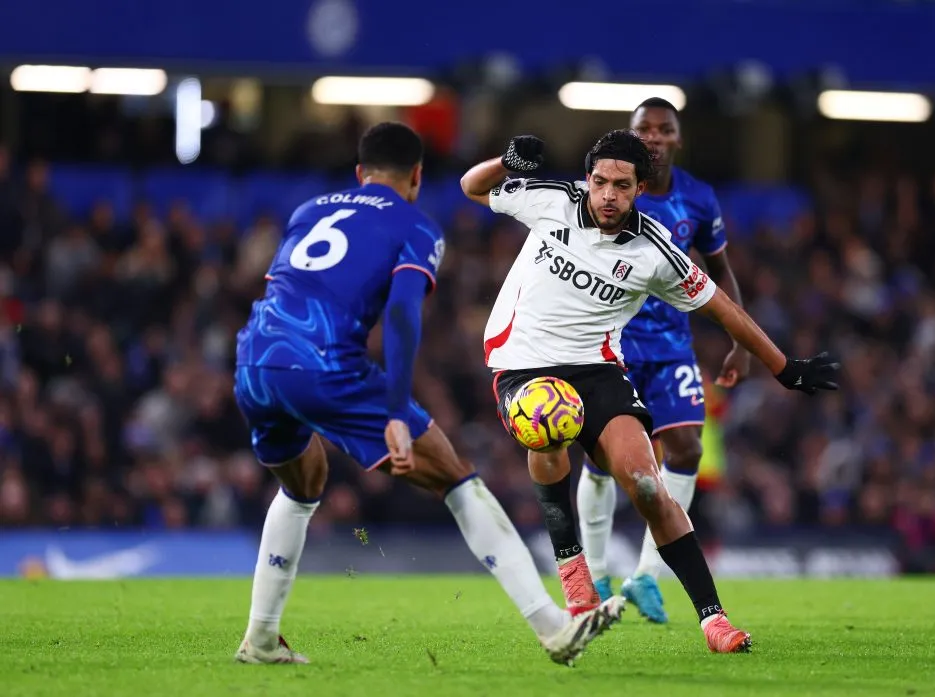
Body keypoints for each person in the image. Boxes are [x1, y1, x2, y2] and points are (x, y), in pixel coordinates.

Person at [232, 122, 625, 667]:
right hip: (325, 365)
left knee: (304, 483)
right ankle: (554, 626)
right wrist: (395, 411)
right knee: (457, 478)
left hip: (254, 358)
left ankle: (261, 640)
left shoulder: (308, 211)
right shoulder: (415, 226)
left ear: (358, 173)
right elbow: (400, 313)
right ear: (416, 177)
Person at [460, 129, 839, 653]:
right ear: (587, 180)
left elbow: (722, 309)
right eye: (599, 182)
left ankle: (714, 620)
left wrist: (782, 366)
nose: (607, 195)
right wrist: (506, 162)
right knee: (549, 423)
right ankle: (575, 576)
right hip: (523, 366)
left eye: (621, 185)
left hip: (597, 370)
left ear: (641, 188)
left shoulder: (654, 249)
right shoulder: (555, 200)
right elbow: (471, 186)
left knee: (645, 485)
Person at [576, 97, 749, 624]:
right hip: (611, 341)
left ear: (676, 137)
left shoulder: (698, 198)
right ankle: (599, 570)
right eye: (643, 128)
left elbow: (718, 268)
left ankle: (647, 575)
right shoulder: (609, 191)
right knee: (601, 461)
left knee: (687, 448)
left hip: (671, 342)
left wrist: (740, 337)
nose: (653, 135)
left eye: (663, 128)